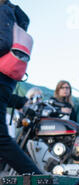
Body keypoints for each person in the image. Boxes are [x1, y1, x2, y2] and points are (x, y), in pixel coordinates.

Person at [0, 0, 41, 174]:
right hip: (7, 78)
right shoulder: (13, 16)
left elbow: (3, 42)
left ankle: (40, 181)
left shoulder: (3, 11)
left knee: (1, 139)